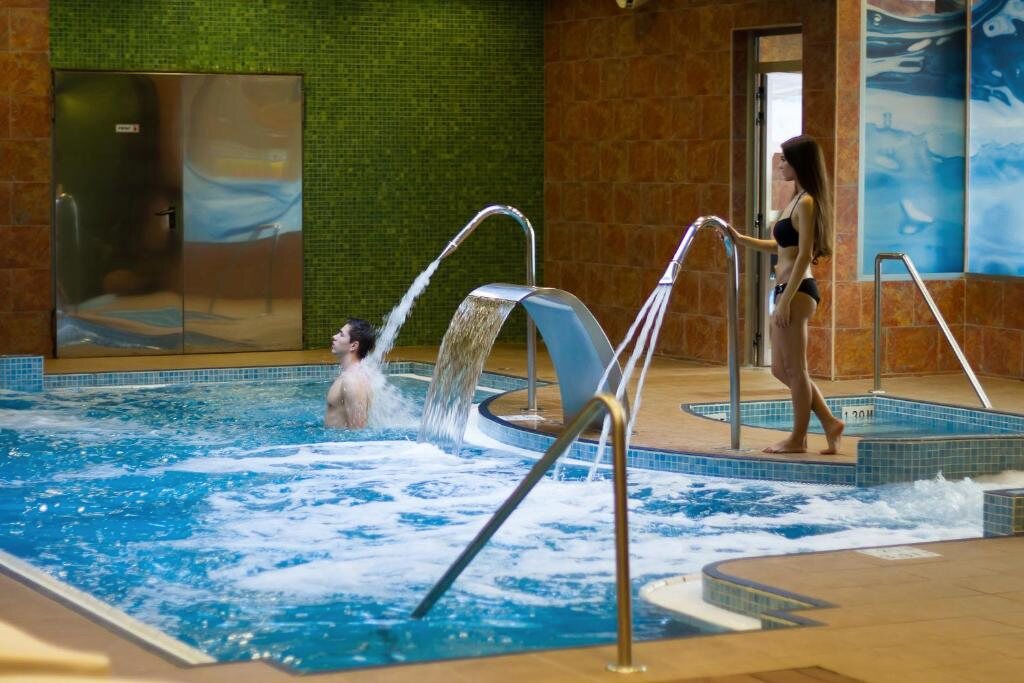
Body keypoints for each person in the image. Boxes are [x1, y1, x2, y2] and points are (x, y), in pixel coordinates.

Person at [725, 134, 844, 455]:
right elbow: (781, 248)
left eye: (785, 159)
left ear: (799, 163)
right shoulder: (795, 198)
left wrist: (785, 301)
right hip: (784, 290)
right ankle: (830, 422)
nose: (780, 164)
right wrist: (742, 240)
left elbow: (804, 255)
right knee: (780, 369)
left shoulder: (807, 203)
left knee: (796, 369)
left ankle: (798, 438)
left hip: (798, 291)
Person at [325, 318, 377, 429]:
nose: (334, 337)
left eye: (341, 335)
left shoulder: (353, 380)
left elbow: (358, 433)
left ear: (353, 345)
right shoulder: (350, 375)